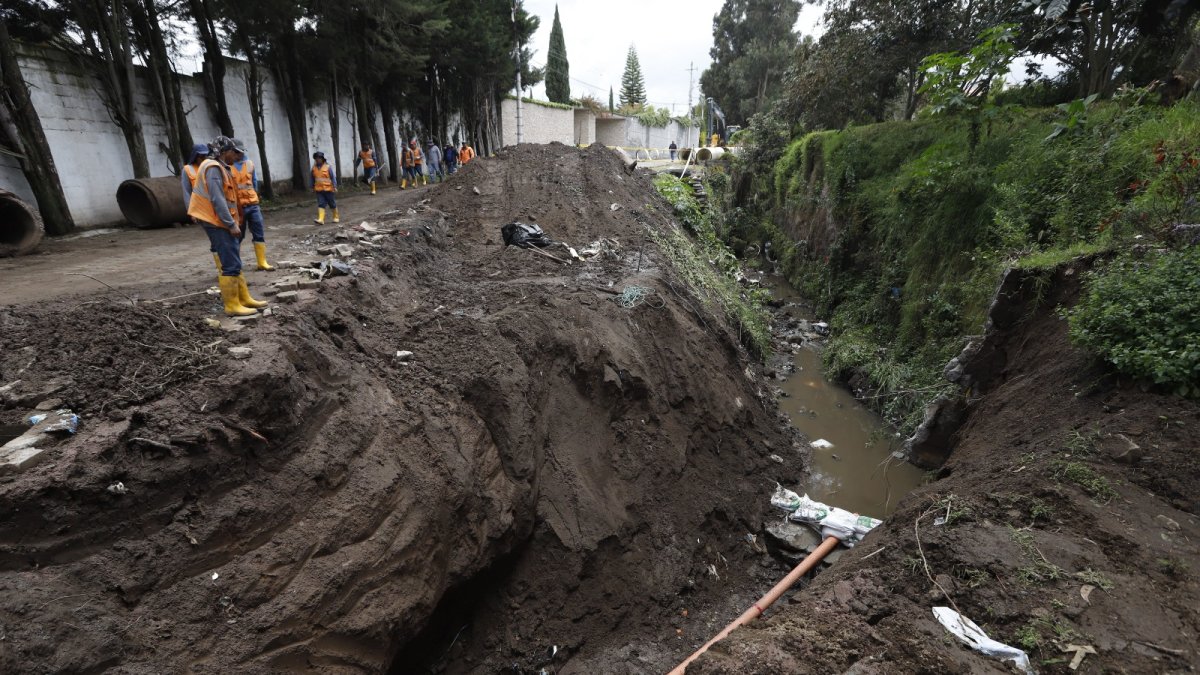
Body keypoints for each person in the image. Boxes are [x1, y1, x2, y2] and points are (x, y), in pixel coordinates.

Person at [188, 136, 267, 317]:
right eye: (234, 152)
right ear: (225, 152)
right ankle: (232, 305)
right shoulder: (213, 169)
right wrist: (231, 224)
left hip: (220, 220)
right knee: (230, 263)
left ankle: (243, 299)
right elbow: (218, 200)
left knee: (234, 260)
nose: (237, 157)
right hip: (217, 222)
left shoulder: (220, 167)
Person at [229, 138, 275, 271]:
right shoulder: (226, 166)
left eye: (241, 151)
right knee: (238, 235)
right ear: (232, 152)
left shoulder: (249, 164)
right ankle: (235, 264)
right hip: (237, 207)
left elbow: (254, 183)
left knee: (258, 232)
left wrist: (255, 196)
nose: (240, 154)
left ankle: (262, 262)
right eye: (238, 152)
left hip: (253, 204)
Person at [180, 142, 220, 272]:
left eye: (205, 155)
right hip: (202, 210)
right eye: (201, 156)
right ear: (195, 156)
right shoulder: (188, 170)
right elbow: (186, 192)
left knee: (221, 237)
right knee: (214, 238)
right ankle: (222, 270)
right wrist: (191, 212)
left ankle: (225, 268)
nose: (203, 158)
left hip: (215, 207)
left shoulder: (209, 167)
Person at [311, 151, 339, 224]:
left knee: (332, 203)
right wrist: (312, 187)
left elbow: (333, 177)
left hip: (328, 189)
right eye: (316, 158)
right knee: (321, 203)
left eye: (319, 158)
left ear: (322, 159)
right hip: (319, 190)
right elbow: (312, 178)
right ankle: (321, 219)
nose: (317, 159)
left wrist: (335, 186)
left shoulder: (328, 167)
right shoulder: (314, 168)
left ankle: (336, 217)